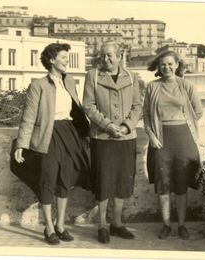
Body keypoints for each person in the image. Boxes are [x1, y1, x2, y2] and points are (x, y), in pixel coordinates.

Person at [13, 43, 90, 245]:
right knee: (48, 180)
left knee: (66, 179)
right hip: (48, 135)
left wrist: (85, 132)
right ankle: (48, 227)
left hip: (69, 133)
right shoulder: (38, 85)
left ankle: (60, 225)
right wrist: (21, 144)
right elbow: (28, 117)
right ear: (51, 60)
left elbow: (77, 109)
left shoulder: (70, 81)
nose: (66, 60)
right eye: (63, 57)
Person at [83, 41, 142, 244]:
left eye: (110, 55)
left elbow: (137, 106)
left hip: (126, 137)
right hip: (102, 138)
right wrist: (108, 126)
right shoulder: (92, 76)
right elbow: (88, 106)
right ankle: (102, 225)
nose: (106, 59)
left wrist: (126, 127)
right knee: (104, 181)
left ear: (119, 55)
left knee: (122, 181)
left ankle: (117, 223)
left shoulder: (132, 77)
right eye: (103, 55)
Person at [143, 50, 203, 240]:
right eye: (163, 65)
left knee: (181, 184)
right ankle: (167, 225)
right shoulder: (152, 87)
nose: (166, 67)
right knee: (163, 184)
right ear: (158, 67)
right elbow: (145, 116)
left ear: (177, 65)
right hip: (161, 140)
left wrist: (184, 123)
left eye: (170, 64)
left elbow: (198, 111)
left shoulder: (186, 85)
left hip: (184, 139)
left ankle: (182, 225)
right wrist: (151, 134)